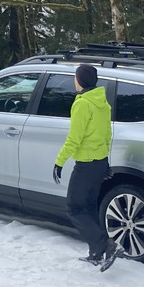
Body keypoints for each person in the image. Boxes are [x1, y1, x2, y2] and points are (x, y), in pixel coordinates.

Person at [53, 64, 118, 271]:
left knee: (74, 207)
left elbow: (74, 139)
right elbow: (107, 135)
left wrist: (59, 162)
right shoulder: (102, 102)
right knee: (89, 207)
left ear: (80, 80)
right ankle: (96, 252)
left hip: (86, 165)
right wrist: (105, 162)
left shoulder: (82, 104)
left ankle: (105, 244)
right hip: (99, 163)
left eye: (75, 77)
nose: (74, 80)